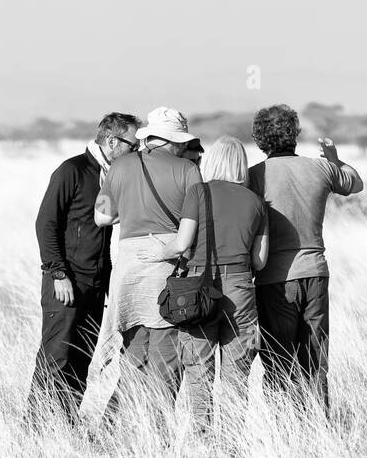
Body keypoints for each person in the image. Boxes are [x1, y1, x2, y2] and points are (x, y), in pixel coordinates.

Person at [248, 104, 363, 413]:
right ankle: (317, 422)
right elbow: (354, 183)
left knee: (276, 359)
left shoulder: (253, 176)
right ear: (294, 135)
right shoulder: (320, 169)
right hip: (315, 272)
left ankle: (282, 429)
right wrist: (334, 158)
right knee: (314, 357)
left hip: (273, 278)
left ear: (259, 139)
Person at [27, 111, 140, 424]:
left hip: (93, 285)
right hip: (65, 283)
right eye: (133, 143)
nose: (137, 149)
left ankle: (65, 428)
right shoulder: (72, 171)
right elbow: (45, 223)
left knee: (80, 360)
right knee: (55, 357)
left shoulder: (111, 175)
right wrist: (57, 272)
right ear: (111, 141)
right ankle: (35, 428)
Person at [94, 106, 201, 415]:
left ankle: (121, 425)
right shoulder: (188, 170)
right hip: (167, 269)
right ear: (175, 141)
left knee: (133, 353)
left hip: (127, 271)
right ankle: (156, 428)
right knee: (166, 354)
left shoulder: (121, 166)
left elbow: (102, 217)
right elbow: (196, 222)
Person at [156, 137, 268, 429]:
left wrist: (160, 252)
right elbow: (259, 261)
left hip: (199, 287)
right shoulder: (256, 202)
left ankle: (202, 436)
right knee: (237, 372)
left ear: (213, 160)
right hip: (241, 287)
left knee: (199, 368)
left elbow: (182, 244)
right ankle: (231, 443)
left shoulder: (198, 193)